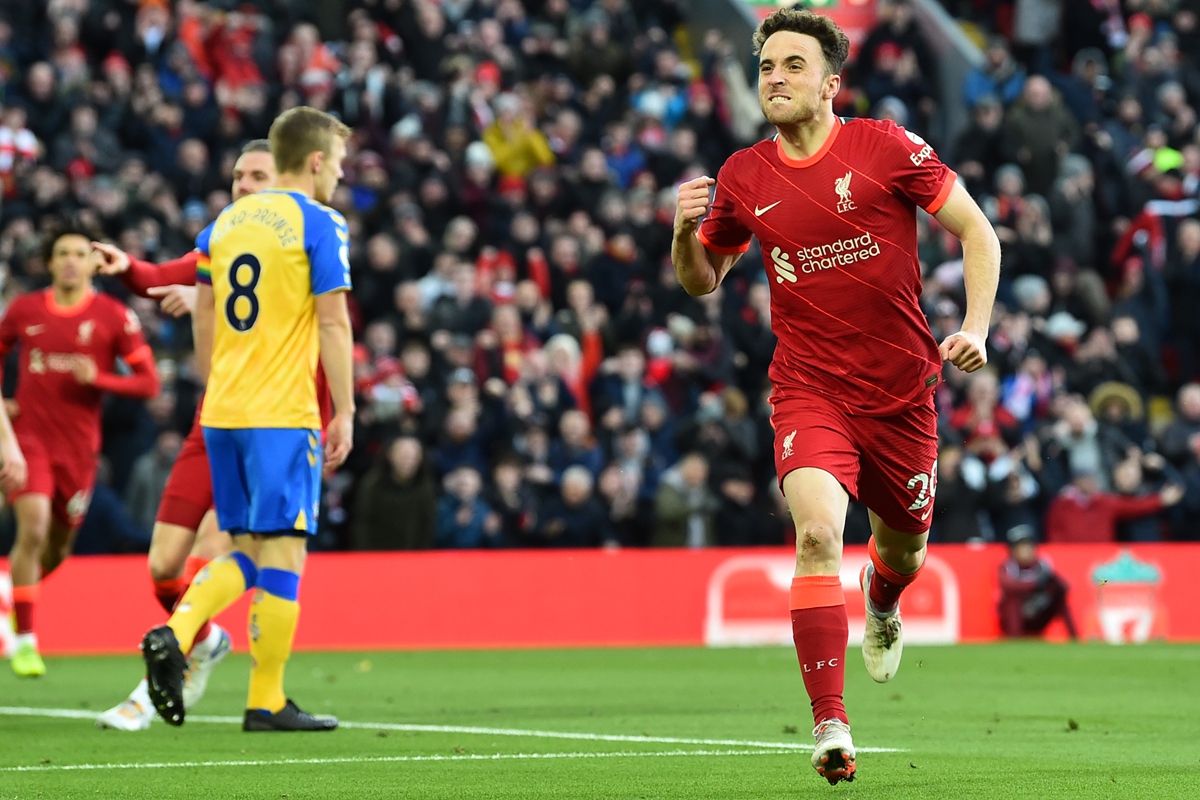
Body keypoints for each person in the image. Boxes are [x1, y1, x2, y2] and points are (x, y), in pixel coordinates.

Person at [671, 9, 1000, 784]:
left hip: (901, 393)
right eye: (766, 67)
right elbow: (703, 281)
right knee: (817, 536)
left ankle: (881, 601)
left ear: (831, 83)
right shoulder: (744, 175)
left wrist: (976, 327)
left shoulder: (883, 147)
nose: (775, 78)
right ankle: (829, 723)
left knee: (903, 551)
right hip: (809, 388)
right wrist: (685, 235)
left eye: (792, 65)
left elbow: (978, 232)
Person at [140, 107, 354, 733]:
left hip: (224, 412)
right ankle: (265, 699)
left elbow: (204, 310)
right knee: (284, 553)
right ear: (315, 161)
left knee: (247, 550)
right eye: (337, 163)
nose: (339, 175)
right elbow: (335, 322)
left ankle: (178, 633)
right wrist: (343, 409)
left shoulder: (225, 223)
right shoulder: (320, 222)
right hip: (282, 414)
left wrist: (216, 381)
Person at [93, 141, 301, 731]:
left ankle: (155, 684)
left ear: (284, 180)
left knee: (222, 550)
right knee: (163, 567)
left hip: (270, 423)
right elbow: (158, 277)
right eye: (237, 175)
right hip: (212, 420)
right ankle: (207, 642)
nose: (243, 185)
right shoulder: (221, 237)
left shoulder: (299, 243)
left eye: (257, 175)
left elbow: (314, 328)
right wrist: (129, 266)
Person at [0, 224, 161, 677]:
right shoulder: (24, 310)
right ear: (49, 262)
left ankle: (12, 595)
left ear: (95, 263)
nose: (71, 261)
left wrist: (102, 380)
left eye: (79, 253)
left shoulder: (113, 316)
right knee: (31, 531)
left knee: (57, 547)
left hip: (79, 450)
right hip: (29, 440)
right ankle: (26, 642)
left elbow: (149, 383)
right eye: (62, 253)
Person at [997, 525, 1077, 639]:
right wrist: (1034, 585)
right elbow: (1007, 586)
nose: (1026, 551)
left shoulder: (1042, 566)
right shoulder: (1009, 567)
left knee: (1059, 596)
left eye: (1028, 546)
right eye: (1021, 547)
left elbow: (1064, 587)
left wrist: (1055, 584)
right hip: (1016, 616)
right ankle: (1014, 639)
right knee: (1012, 600)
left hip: (1037, 611)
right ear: (1012, 551)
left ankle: (1074, 638)